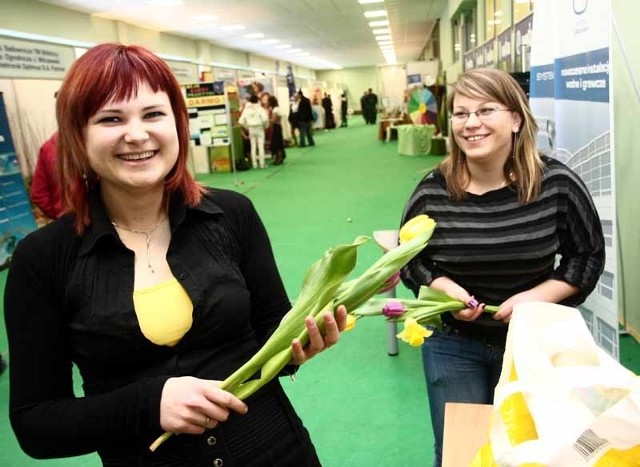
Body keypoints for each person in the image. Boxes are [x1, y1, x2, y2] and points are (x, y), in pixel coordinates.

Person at [3, 43, 348, 467]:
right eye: (111, 118)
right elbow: (36, 425)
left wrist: (300, 346)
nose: (136, 134)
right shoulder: (43, 259)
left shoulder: (231, 215)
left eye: (153, 114)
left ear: (177, 123)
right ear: (78, 136)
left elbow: (270, 338)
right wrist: (150, 404)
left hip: (276, 452)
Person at [399, 68, 605, 467]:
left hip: (535, 343)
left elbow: (588, 255)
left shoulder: (556, 183)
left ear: (515, 119)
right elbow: (410, 259)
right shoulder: (433, 189)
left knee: (537, 451)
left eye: (485, 110)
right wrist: (442, 289)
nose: (471, 123)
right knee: (461, 453)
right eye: (460, 113)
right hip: (454, 344)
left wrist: (536, 297)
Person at [31, 130, 64, 220]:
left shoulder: (47, 148)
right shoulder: (89, 142)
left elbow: (38, 193)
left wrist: (58, 214)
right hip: (98, 216)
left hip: (66, 218)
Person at [238, 94, 269, 169]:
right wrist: (265, 126)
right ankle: (262, 164)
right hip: (259, 128)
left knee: (253, 147)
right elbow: (265, 119)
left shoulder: (246, 109)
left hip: (251, 129)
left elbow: (240, 121)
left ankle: (254, 164)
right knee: (261, 147)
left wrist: (247, 127)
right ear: (258, 101)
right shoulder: (260, 109)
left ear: (250, 101)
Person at [267, 95, 286, 165]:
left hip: (276, 127)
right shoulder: (277, 108)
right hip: (278, 127)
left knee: (277, 144)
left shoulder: (275, 110)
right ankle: (278, 158)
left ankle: (279, 158)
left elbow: (274, 120)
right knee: (278, 143)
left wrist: (268, 120)